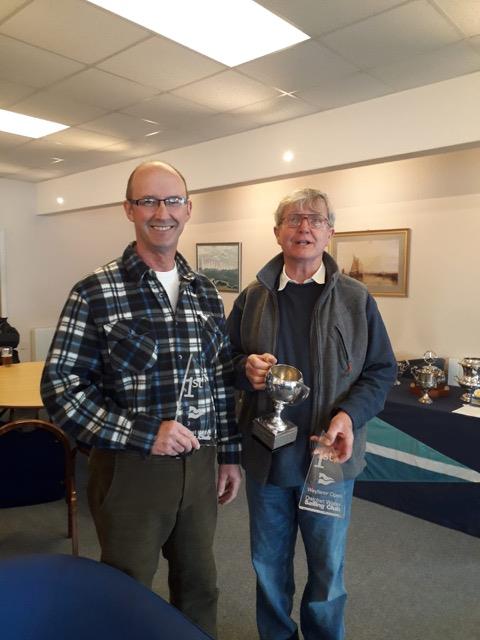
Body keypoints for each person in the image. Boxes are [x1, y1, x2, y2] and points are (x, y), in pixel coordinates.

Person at [41, 161, 242, 638]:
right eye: (148, 200)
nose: (162, 212)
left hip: (200, 466)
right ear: (129, 209)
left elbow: (219, 380)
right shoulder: (95, 291)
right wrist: (144, 433)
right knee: (126, 590)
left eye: (172, 200)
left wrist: (230, 457)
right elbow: (62, 388)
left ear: (188, 209)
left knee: (200, 588)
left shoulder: (206, 294)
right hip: (130, 471)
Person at [227, 188, 396, 640]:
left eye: (316, 219)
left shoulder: (358, 300)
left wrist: (347, 417)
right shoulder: (251, 298)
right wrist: (244, 368)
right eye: (295, 219)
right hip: (267, 459)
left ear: (330, 232)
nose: (305, 227)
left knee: (326, 571)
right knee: (268, 566)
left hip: (329, 460)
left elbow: (381, 372)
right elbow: (223, 365)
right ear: (277, 231)